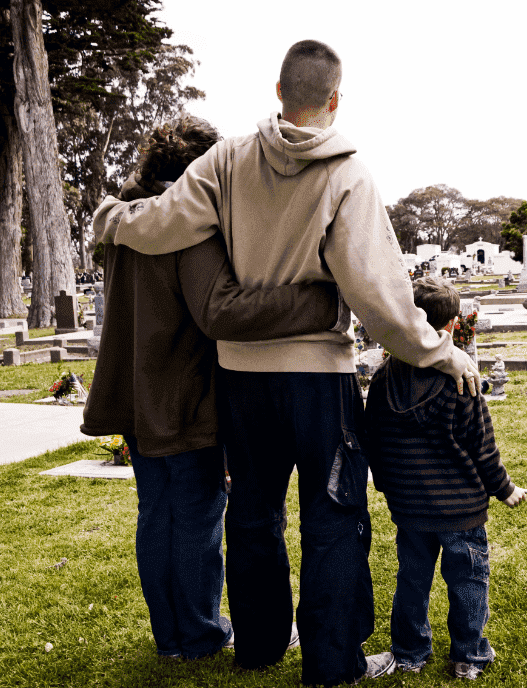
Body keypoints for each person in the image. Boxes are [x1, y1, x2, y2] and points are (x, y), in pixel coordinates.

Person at [90, 40, 480, 685]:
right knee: (332, 515)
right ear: (335, 99)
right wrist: (437, 350)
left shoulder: (226, 159)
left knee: (252, 515)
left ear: (277, 91)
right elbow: (377, 295)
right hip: (317, 379)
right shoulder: (350, 173)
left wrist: (111, 217)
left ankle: (260, 645)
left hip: (241, 380)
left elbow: (160, 225)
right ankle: (331, 661)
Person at [82, 114, 340, 660]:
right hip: (184, 390)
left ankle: (172, 635)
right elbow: (221, 310)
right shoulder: (183, 222)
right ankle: (199, 633)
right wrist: (321, 301)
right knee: (197, 515)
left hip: (137, 389)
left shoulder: (129, 214)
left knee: (157, 513)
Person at [364, 276, 527, 680]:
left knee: (412, 581)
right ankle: (468, 656)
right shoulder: (461, 378)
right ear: (452, 324)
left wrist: (388, 487)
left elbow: (375, 441)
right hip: (461, 510)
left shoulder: (384, 378)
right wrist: (504, 488)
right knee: (468, 582)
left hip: (410, 506)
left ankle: (410, 653)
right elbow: (482, 446)